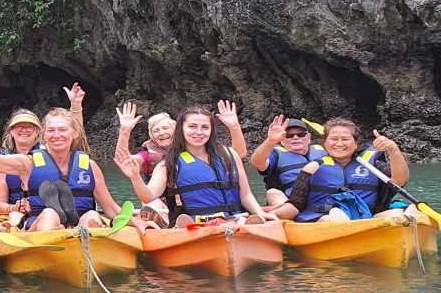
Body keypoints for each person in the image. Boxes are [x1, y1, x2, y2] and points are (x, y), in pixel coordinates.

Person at [0, 93, 124, 230]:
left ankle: (77, 232)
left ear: (75, 133)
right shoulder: (27, 163)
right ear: (43, 135)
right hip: (40, 225)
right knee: (50, 214)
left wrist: (137, 222)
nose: (57, 135)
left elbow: (111, 209)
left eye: (62, 130)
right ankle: (59, 232)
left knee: (92, 216)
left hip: (80, 224)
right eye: (51, 130)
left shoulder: (89, 165)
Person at [136, 107, 278, 227]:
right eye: (192, 127)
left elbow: (246, 195)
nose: (199, 132)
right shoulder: (167, 164)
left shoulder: (230, 155)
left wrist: (260, 213)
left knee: (248, 220)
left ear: (211, 131)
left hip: (234, 219)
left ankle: (249, 226)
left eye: (205, 127)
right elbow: (148, 196)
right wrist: (134, 176)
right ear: (180, 129)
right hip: (194, 223)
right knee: (185, 222)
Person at [270, 118, 412, 222]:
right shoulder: (311, 168)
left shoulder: (372, 164)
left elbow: (399, 181)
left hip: (369, 219)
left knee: (410, 212)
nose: (339, 144)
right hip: (325, 219)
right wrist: (273, 215)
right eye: (334, 139)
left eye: (345, 139)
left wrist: (393, 150)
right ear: (324, 144)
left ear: (355, 144)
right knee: (336, 216)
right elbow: (295, 205)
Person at [248, 115, 328, 215]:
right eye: (289, 135)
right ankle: (287, 218)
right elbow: (256, 163)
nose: (295, 138)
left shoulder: (323, 151)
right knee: (272, 192)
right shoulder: (276, 154)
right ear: (282, 140)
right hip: (290, 204)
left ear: (308, 137)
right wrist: (270, 141)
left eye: (301, 134)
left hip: (323, 200)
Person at [114, 102, 176, 226]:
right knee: (151, 205)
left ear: (176, 129)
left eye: (165, 128)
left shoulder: (192, 150)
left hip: (186, 201)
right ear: (151, 136)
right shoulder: (148, 155)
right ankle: (156, 222)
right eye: (156, 131)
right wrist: (125, 131)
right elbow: (124, 160)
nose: (161, 133)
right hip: (158, 201)